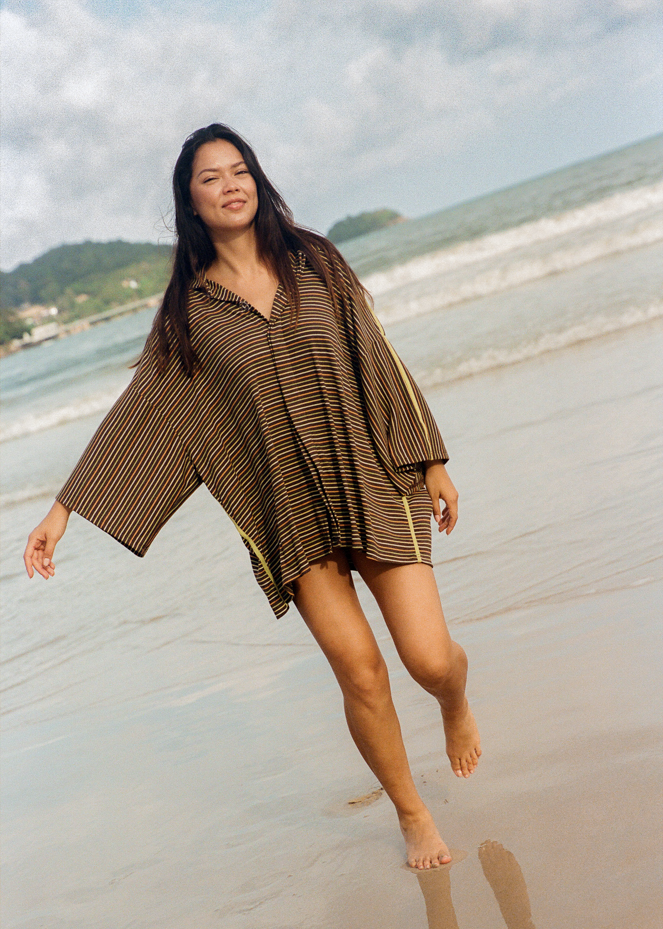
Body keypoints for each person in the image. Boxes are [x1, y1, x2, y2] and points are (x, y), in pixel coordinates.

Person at [23, 123, 481, 870]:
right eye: (212, 176)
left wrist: (430, 457)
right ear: (190, 201)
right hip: (289, 511)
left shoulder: (313, 260)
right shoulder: (188, 315)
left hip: (370, 475)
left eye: (241, 170)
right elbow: (143, 411)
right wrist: (62, 509)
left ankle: (454, 702)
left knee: (428, 660)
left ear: (258, 182)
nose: (231, 184)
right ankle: (412, 812)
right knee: (359, 671)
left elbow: (377, 349)